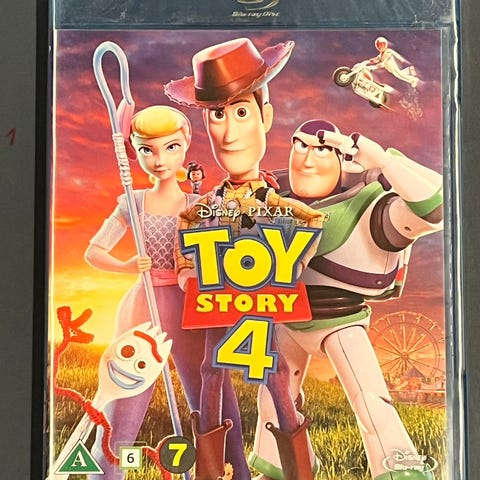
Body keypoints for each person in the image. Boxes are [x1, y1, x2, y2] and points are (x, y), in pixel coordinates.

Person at [165, 38, 325, 480]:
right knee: (211, 369)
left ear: (265, 117)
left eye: (240, 112)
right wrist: (186, 272)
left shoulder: (275, 201)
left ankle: (298, 471)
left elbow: (311, 221)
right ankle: (209, 471)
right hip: (217, 301)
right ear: (206, 125)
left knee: (274, 373)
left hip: (259, 301)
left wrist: (289, 265)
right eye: (217, 115)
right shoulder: (205, 205)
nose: (230, 132)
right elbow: (186, 226)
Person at [249, 119, 443, 480]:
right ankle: (283, 468)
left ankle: (399, 471)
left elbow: (436, 209)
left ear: (343, 159)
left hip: (340, 320)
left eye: (322, 149)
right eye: (300, 145)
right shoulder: (271, 199)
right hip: (285, 316)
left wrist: (385, 162)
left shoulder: (368, 207)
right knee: (274, 399)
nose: (307, 159)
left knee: (369, 401)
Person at [84, 105, 246, 479]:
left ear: (185, 144)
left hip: (190, 307)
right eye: (147, 150)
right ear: (135, 152)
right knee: (124, 403)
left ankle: (226, 472)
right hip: (142, 308)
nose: (159, 160)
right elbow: (94, 252)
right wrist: (127, 265)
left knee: (213, 397)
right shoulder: (133, 201)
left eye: (170, 147)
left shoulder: (198, 205)